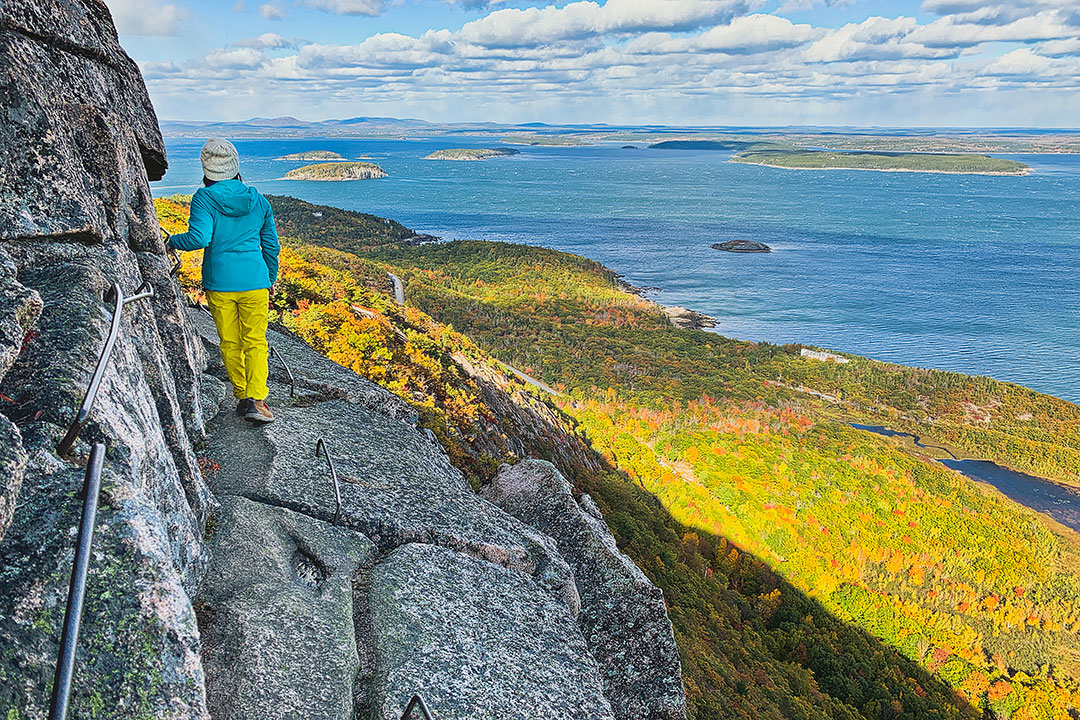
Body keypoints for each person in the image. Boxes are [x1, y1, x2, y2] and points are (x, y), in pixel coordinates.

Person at [168, 139, 280, 424]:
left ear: (207, 170)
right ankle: (258, 400)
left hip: (220, 282)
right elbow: (271, 246)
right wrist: (269, 279)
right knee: (256, 341)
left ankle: (243, 397)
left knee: (230, 342)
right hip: (255, 281)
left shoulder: (204, 198)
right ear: (235, 168)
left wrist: (170, 241)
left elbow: (199, 239)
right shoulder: (258, 200)